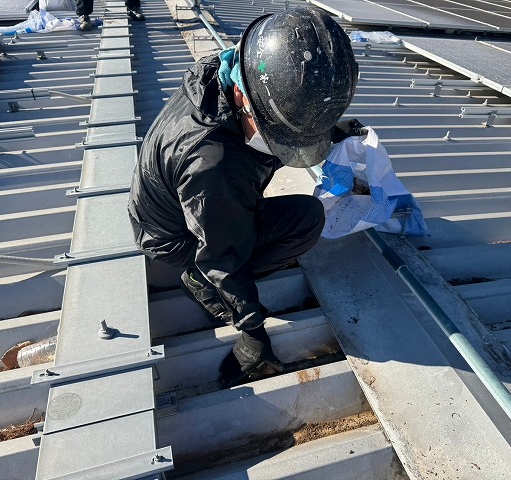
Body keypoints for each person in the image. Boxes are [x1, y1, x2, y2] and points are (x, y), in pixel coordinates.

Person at [128, 6, 359, 388]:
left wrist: (331, 130)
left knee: (296, 215)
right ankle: (198, 282)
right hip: (178, 237)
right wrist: (252, 330)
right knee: (305, 221)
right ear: (243, 94)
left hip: (195, 204)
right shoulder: (215, 164)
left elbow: (284, 113)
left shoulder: (222, 76)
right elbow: (222, 253)